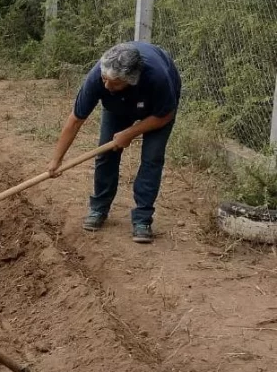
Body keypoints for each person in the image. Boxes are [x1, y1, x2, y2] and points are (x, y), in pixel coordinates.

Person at [46, 42, 181, 244]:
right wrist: (56, 160)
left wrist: (130, 132)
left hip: (156, 111)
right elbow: (75, 120)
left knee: (152, 158)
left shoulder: (158, 77)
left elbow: (164, 115)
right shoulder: (98, 78)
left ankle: (142, 219)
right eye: (105, 80)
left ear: (132, 80)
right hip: (117, 106)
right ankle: (99, 207)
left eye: (115, 83)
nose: (107, 86)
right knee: (106, 153)